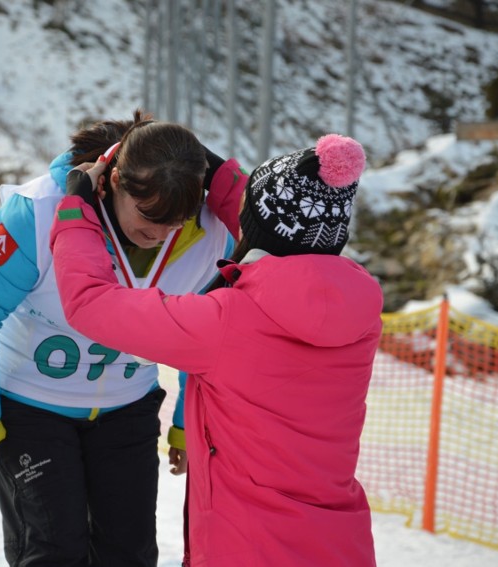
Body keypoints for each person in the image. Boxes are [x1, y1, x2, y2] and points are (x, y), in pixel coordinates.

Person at [52, 134, 383, 566]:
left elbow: (90, 304)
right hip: (339, 545)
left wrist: (77, 211)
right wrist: (212, 169)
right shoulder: (360, 316)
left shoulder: (224, 322)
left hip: (245, 547)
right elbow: (280, 232)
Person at [0, 110, 245, 566]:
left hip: (129, 408)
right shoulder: (39, 211)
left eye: (176, 221)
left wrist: (188, 426)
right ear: (114, 181)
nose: (160, 233)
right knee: (52, 550)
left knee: (129, 551)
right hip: (32, 407)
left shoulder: (209, 235)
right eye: (149, 215)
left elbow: (199, 337)